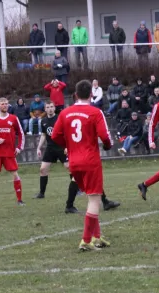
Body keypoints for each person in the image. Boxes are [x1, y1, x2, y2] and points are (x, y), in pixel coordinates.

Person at [51, 80, 113, 251]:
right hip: (90, 160)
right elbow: (104, 136)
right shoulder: (95, 112)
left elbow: (55, 136)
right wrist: (108, 146)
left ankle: (97, 237)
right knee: (95, 198)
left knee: (90, 197)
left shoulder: (65, 113)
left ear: (76, 95)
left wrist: (68, 145)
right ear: (91, 95)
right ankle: (86, 240)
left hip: (74, 161)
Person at [0, 97, 26, 207]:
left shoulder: (13, 118)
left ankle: (19, 200)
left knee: (15, 175)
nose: (5, 106)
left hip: (9, 152)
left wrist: (19, 147)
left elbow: (21, 133)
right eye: (2, 104)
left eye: (6, 104)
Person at [33, 101, 70, 200]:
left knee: (70, 167)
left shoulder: (60, 118)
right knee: (43, 169)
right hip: (50, 147)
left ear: (54, 108)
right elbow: (44, 135)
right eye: (48, 107)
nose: (50, 108)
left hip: (61, 147)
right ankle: (41, 193)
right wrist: (39, 147)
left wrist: (67, 146)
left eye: (51, 107)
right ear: (45, 109)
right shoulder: (43, 121)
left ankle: (78, 188)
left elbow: (67, 132)